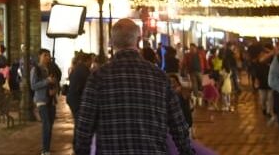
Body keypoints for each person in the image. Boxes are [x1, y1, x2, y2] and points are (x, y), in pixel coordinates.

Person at [73, 18, 193, 155]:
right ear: (139, 39)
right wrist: (187, 151)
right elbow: (178, 126)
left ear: (112, 42)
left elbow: (84, 127)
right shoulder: (160, 77)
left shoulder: (98, 78)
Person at [32, 49, 57, 155]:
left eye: (48, 55)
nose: (47, 57)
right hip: (41, 100)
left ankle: (47, 147)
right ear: (40, 56)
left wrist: (54, 88)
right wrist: (47, 81)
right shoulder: (36, 69)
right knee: (46, 124)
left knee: (50, 125)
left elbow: (54, 82)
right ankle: (45, 150)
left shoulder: (50, 68)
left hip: (51, 100)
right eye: (45, 55)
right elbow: (33, 86)